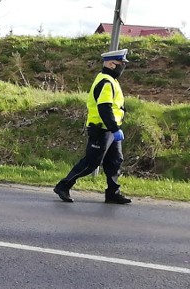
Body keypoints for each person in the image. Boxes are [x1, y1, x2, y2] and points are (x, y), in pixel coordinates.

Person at [54, 49, 132, 204]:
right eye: (121, 64)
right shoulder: (106, 82)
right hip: (101, 129)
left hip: (110, 129)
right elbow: (104, 108)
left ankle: (112, 193)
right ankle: (63, 186)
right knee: (91, 163)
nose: (123, 67)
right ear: (111, 64)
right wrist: (115, 129)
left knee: (115, 161)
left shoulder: (111, 80)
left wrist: (115, 128)